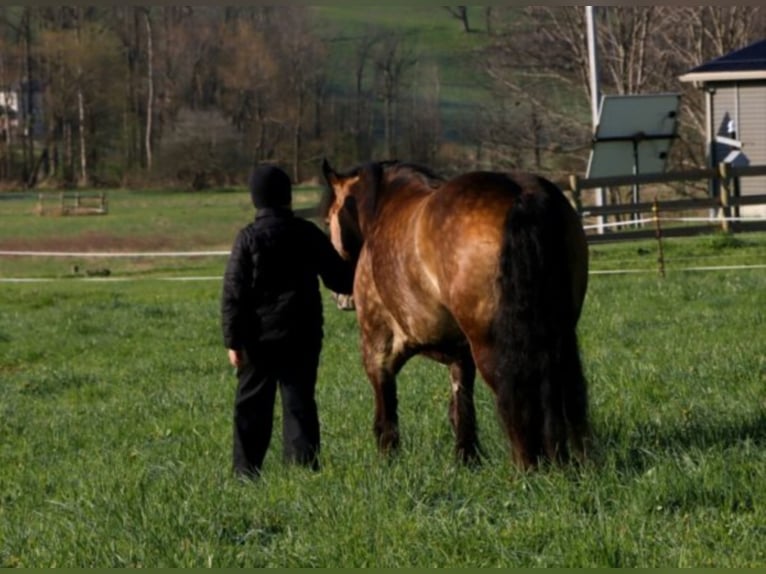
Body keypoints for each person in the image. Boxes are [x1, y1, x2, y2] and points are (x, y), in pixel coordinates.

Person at [221, 164, 354, 478]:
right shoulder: (307, 234)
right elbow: (340, 280)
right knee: (299, 402)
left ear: (256, 200)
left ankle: (246, 472)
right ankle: (304, 469)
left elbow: (233, 294)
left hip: (258, 338)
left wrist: (233, 341)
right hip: (302, 334)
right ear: (288, 198)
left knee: (252, 405)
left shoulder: (248, 238)